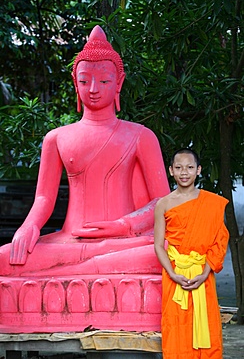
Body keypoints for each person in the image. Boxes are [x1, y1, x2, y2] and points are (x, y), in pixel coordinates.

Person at [0, 25, 170, 276]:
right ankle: (87, 271)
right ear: (74, 83)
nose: (93, 88)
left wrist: (122, 226)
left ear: (119, 82)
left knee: (167, 252)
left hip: (124, 243)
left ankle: (78, 273)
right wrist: (29, 226)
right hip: (69, 242)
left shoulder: (140, 136)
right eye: (84, 80)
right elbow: (44, 199)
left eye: (103, 81)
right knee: (5, 259)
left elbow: (163, 202)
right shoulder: (56, 138)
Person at [154, 148, 229, 359]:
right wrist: (172, 273)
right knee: (176, 326)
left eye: (189, 167)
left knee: (206, 322)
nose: (184, 172)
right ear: (171, 171)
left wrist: (205, 273)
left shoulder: (212, 203)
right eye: (178, 168)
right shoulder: (164, 204)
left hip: (202, 274)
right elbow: (159, 245)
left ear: (198, 170)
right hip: (175, 274)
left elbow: (219, 241)